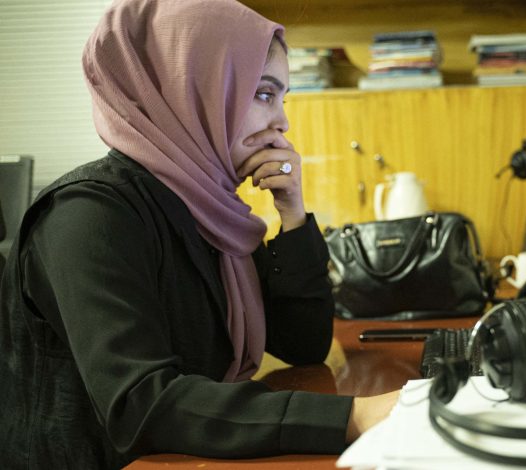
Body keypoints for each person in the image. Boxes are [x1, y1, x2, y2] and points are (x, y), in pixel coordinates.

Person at [0, 0, 398, 468]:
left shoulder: (211, 209)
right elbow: (143, 404)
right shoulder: (89, 214)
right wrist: (354, 415)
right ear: (191, 89)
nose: (282, 122)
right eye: (263, 94)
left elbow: (302, 344)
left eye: (282, 98)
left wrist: (292, 214)